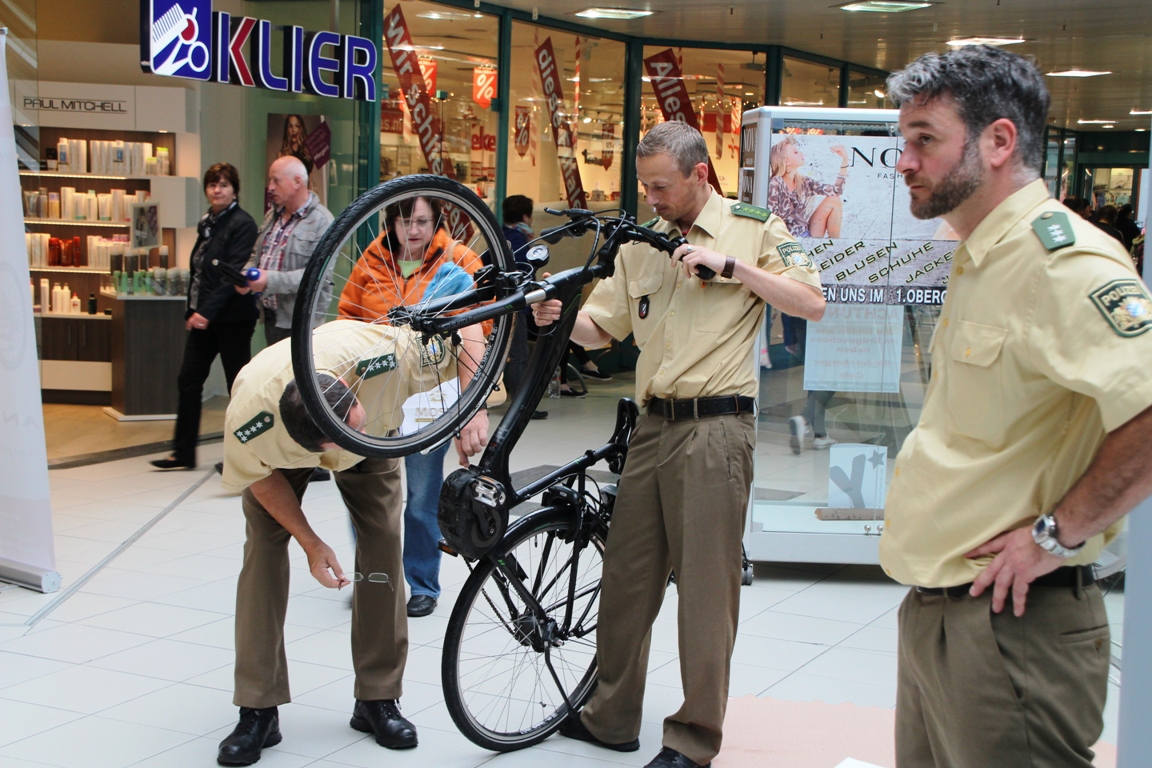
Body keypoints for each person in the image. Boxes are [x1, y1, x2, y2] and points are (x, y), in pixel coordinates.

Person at [880, 45, 1152, 768]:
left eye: (925, 140)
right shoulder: (981, 257)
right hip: (942, 614)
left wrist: (1057, 535)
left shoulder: (1061, 263)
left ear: (999, 141)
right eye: (903, 141)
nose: (904, 161)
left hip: (1012, 626)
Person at [533, 121, 825, 768]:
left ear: (700, 175)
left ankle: (693, 740)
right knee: (626, 580)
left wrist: (735, 268)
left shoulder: (753, 228)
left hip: (716, 431)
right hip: (652, 427)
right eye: (645, 187)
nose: (653, 198)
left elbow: (812, 302)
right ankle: (610, 717)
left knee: (703, 593)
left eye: (662, 186)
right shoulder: (643, 244)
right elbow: (600, 328)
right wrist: (555, 317)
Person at [215, 319, 487, 766]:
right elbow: (259, 477)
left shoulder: (387, 354)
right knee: (262, 553)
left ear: (347, 386)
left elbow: (469, 329)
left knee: (381, 545)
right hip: (277, 462)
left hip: (374, 443)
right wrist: (311, 542)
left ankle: (378, 698)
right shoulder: (251, 411)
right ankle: (257, 707)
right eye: (334, 444)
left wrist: (473, 410)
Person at [337, 196, 487, 618]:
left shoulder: (457, 260)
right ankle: (374, 577)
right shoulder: (372, 259)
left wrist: (470, 401)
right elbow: (347, 317)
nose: (413, 229)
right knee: (366, 493)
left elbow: (481, 322)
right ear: (391, 223)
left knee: (421, 497)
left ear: (436, 221)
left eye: (422, 220)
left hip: (429, 396)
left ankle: (422, 584)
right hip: (372, 395)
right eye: (404, 221)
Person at [152, 163, 258, 471]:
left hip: (233, 319)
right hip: (204, 317)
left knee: (238, 387)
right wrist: (196, 311)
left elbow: (231, 276)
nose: (217, 190)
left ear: (234, 190)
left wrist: (204, 313)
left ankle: (244, 457)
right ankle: (183, 453)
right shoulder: (208, 223)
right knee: (188, 380)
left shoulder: (242, 223)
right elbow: (201, 272)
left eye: (224, 185)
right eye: (212, 185)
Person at [241, 155, 334, 347]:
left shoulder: (322, 221)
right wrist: (246, 275)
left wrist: (268, 280)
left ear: (297, 182)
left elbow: (318, 276)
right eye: (270, 180)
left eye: (276, 180)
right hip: (271, 318)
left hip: (301, 323)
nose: (271, 187)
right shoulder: (272, 216)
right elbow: (256, 255)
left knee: (295, 377)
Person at [501, 194, 548, 420]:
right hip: (514, 304)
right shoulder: (521, 241)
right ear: (525, 216)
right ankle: (520, 407)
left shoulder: (500, 236)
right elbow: (524, 273)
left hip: (496, 304)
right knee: (519, 355)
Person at [767, 135, 849, 238]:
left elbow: (837, 191)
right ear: (786, 161)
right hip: (787, 241)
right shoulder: (776, 182)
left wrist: (845, 160)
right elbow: (770, 220)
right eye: (795, 152)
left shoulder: (804, 182)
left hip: (806, 235)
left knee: (834, 200)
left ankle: (835, 246)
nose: (801, 153)